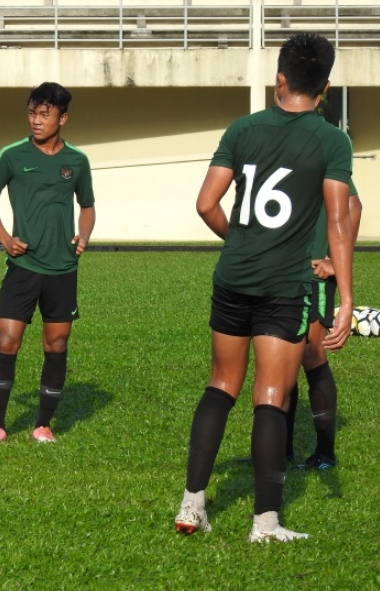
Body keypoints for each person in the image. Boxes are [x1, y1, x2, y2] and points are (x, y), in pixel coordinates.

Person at [173, 33, 354, 542]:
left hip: (232, 276)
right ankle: (266, 523)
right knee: (270, 396)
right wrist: (344, 300)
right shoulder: (331, 140)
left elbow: (206, 203)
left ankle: (192, 505)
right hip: (283, 286)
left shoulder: (242, 128)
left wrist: (242, 241)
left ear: (279, 79)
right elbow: (338, 221)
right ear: (325, 87)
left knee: (220, 385)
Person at [0, 82, 96, 445]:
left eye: (45, 114)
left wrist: (83, 235)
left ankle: (43, 425)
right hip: (24, 267)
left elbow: (87, 206)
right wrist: (5, 239)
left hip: (63, 270)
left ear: (63, 118)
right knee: (7, 340)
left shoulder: (77, 162)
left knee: (56, 346)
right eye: (32, 113)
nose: (37, 121)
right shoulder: (11, 155)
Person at [285, 182, 362, 470]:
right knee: (281, 357)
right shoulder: (281, 149)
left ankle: (325, 454)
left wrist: (336, 261)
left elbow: (353, 205)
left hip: (312, 275)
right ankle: (281, 451)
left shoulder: (319, 146)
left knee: (312, 354)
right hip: (281, 273)